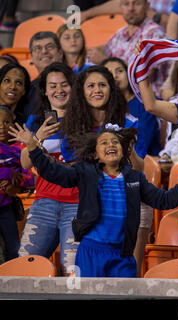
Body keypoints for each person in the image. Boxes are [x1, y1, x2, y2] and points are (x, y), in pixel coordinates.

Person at [9, 124, 178, 278]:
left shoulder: (135, 178)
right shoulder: (85, 172)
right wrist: (33, 147)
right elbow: (53, 172)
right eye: (104, 142)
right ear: (95, 154)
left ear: (123, 150)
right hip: (90, 252)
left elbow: (163, 201)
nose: (111, 145)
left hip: (123, 254)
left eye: (115, 142)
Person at [18, 62, 79, 276]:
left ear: (73, 86)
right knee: (24, 269)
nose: (59, 90)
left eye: (64, 85)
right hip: (44, 203)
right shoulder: (36, 120)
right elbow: (25, 163)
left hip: (77, 206)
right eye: (52, 86)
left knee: (73, 273)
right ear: (44, 90)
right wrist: (38, 138)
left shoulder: (86, 119)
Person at [102, 57, 161, 276]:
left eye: (119, 70)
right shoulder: (94, 111)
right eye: (109, 72)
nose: (115, 76)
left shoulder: (140, 107)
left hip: (134, 186)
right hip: (102, 191)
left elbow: (141, 153)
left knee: (130, 267)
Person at [60, 65, 144, 171]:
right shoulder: (73, 124)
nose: (97, 90)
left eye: (102, 85)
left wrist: (129, 150)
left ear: (111, 90)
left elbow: (140, 169)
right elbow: (71, 167)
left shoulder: (129, 124)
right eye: (91, 86)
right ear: (82, 92)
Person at [86, 0, 169, 97]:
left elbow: (144, 75)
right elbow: (103, 49)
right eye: (126, 4)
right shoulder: (121, 32)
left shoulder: (154, 33)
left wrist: (105, 60)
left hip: (146, 100)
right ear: (120, 7)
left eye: (137, 3)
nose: (131, 9)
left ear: (147, 6)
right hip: (122, 97)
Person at [0, 106, 34, 261]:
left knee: (14, 248)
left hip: (6, 207)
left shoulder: (15, 151)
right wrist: (8, 173)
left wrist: (19, 183)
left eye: (6, 122)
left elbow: (28, 175)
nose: (2, 126)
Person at [25, 32, 64, 119]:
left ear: (60, 53)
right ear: (31, 57)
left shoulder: (76, 84)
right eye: (38, 48)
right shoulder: (27, 90)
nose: (44, 51)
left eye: (50, 47)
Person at [72, 0, 174, 28]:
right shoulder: (120, 35)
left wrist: (153, 15)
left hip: (164, 42)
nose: (130, 7)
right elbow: (120, 4)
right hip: (132, 36)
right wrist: (85, 14)